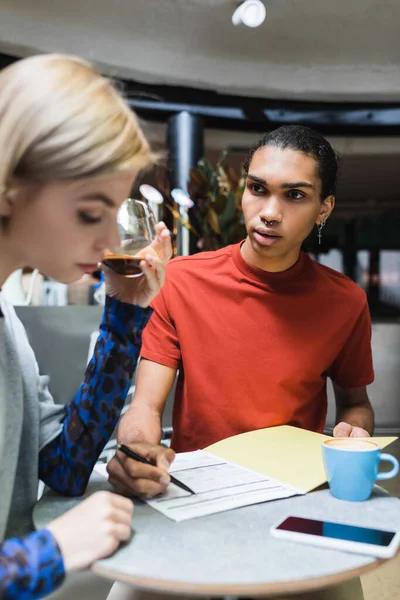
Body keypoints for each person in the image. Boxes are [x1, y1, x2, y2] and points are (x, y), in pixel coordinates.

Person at [107, 124, 374, 500]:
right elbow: (146, 407)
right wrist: (135, 449)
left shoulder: (345, 301)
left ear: (323, 209)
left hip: (294, 490)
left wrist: (353, 430)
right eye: (257, 189)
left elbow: (356, 404)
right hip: (196, 492)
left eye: (295, 195)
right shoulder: (181, 280)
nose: (269, 212)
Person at [0, 53, 172, 599]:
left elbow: (63, 463)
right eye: (89, 212)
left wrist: (124, 318)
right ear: (9, 184)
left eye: (114, 212)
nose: (106, 245)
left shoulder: (5, 321)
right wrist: (44, 554)